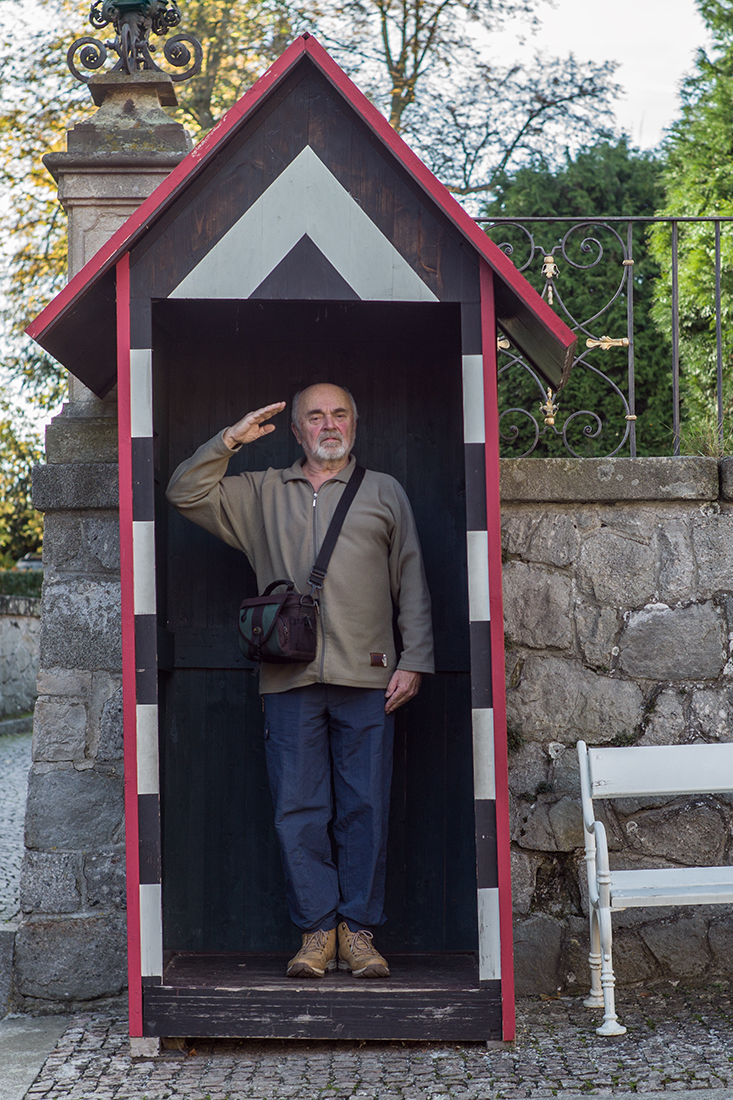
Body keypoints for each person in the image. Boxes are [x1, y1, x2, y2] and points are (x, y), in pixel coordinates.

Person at [166, 383, 434, 979]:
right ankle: (316, 933)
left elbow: (411, 577)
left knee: (366, 807)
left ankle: (357, 933)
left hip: (370, 678)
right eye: (315, 416)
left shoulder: (384, 491)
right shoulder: (261, 491)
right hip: (287, 678)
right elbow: (184, 491)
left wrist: (414, 658)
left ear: (354, 425)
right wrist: (230, 440)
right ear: (295, 430)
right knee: (297, 808)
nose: (328, 425)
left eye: (339, 414)